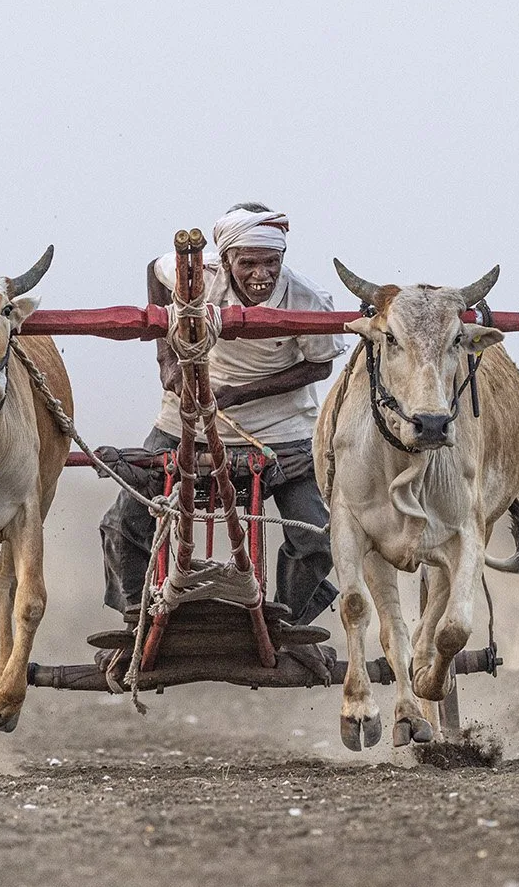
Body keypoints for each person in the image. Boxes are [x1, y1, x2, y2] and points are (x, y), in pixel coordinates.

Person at [99, 203, 347, 626]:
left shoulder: (308, 300)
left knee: (316, 537)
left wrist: (240, 394)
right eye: (248, 263)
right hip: (184, 424)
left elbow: (320, 365)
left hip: (281, 431)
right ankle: (137, 616)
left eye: (272, 262)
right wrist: (168, 361)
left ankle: (285, 621)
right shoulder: (199, 277)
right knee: (125, 520)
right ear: (226, 259)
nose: (261, 275)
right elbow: (153, 272)